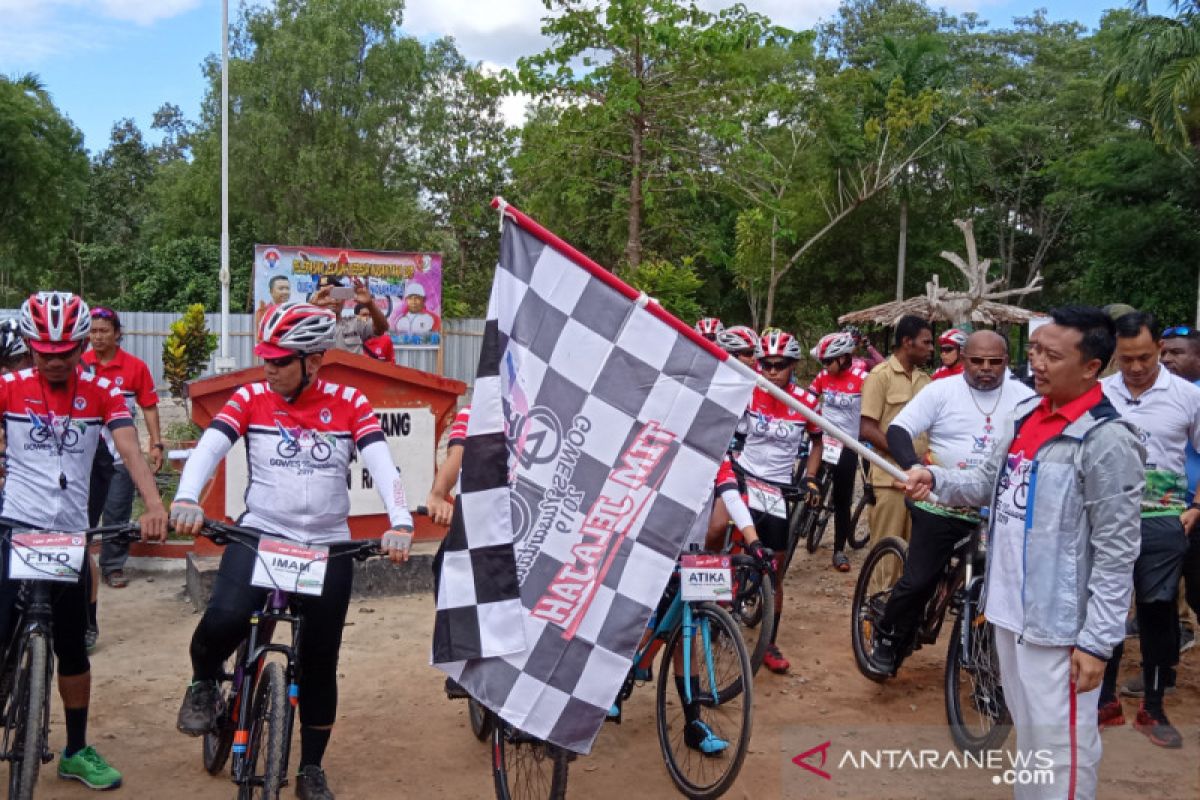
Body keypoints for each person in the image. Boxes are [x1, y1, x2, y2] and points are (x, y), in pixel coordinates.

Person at [171, 301, 414, 800]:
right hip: (263, 533)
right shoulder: (250, 397)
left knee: (321, 660)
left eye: (281, 361)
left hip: (326, 544)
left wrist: (401, 522)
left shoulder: (349, 402)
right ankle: (202, 683)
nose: (269, 368)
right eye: (266, 358)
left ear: (314, 361)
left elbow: (383, 465)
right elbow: (209, 449)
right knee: (223, 620)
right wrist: (186, 498)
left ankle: (310, 768)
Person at [900, 306, 1141, 800]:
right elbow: (987, 483)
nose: (1039, 364)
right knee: (1031, 741)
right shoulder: (1026, 416)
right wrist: (938, 479)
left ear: (1092, 367)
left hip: (1060, 628)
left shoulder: (1106, 440)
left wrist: (1097, 641)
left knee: (1063, 749)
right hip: (1009, 613)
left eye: (1053, 355)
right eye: (1035, 352)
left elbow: (1117, 552)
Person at [0, 291, 168, 790]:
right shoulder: (7, 387)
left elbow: (126, 445)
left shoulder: (101, 391)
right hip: (15, 526)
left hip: (71, 536)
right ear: (29, 345)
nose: (54, 361)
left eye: (65, 352)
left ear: (81, 347)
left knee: (74, 650)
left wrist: (153, 505)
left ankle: (75, 748)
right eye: (43, 352)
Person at [866, 331, 1035, 675]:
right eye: (977, 361)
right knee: (919, 580)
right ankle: (887, 636)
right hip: (938, 503)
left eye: (995, 362)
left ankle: (989, 657)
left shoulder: (1026, 399)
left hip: (998, 510)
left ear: (1006, 362)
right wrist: (914, 467)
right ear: (964, 359)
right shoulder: (941, 390)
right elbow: (899, 430)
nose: (985, 369)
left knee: (1003, 584)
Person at [1094, 312, 1200, 748]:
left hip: (1164, 517)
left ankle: (1152, 707)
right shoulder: (1098, 392)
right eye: (1125, 359)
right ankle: (1104, 701)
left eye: (1143, 357)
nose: (1135, 368)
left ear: (1159, 347)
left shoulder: (1187, 397)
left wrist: (1196, 507)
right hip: (1105, 516)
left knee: (1157, 609)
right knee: (1106, 606)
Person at [734, 329, 823, 673]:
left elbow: (817, 442)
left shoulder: (807, 401)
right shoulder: (750, 392)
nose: (771, 371)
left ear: (793, 365)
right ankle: (718, 611)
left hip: (777, 489)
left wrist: (811, 477)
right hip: (743, 479)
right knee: (726, 546)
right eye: (765, 364)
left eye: (779, 365)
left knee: (774, 571)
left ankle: (768, 641)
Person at [81, 307, 164, 588]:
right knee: (83, 513)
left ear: (117, 334)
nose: (98, 337)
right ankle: (76, 564)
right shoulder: (79, 365)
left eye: (104, 331)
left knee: (117, 511)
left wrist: (156, 444)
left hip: (122, 457)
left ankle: (112, 566)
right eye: (93, 331)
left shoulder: (135, 367)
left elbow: (149, 408)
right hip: (85, 459)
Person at [859, 315, 933, 551]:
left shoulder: (926, 381)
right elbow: (868, 429)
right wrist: (907, 458)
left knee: (912, 557)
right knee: (886, 556)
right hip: (890, 480)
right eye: (926, 342)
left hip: (920, 485)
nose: (931, 349)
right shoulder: (880, 377)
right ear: (907, 342)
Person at [807, 331, 869, 571]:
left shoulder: (863, 379)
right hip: (824, 439)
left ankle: (839, 550)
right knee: (808, 475)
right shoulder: (823, 375)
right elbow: (809, 398)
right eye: (822, 362)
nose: (825, 367)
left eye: (828, 361)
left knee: (843, 500)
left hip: (848, 443)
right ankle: (804, 515)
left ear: (844, 358)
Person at [309, 275, 388, 355]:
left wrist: (370, 304)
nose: (333, 299)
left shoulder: (355, 322)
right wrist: (312, 306)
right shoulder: (308, 327)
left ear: (344, 299)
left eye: (337, 294)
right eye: (326, 295)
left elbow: (382, 328)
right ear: (317, 298)